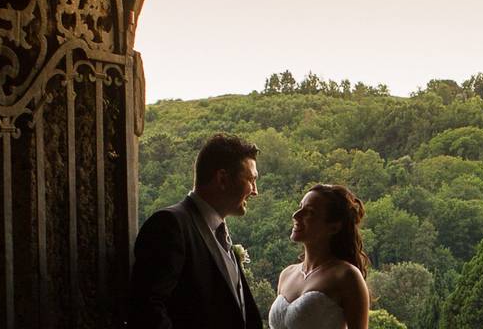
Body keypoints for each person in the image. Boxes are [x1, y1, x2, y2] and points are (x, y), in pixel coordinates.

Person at [128, 134, 262, 329]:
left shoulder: (220, 232)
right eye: (251, 179)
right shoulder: (169, 225)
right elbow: (147, 309)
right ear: (222, 179)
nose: (255, 191)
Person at [269, 184, 370, 329]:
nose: (296, 215)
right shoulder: (286, 274)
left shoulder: (346, 275)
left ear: (334, 227)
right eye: (300, 207)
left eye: (309, 212)